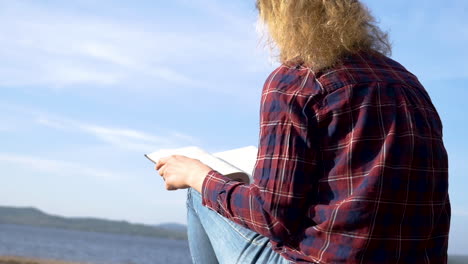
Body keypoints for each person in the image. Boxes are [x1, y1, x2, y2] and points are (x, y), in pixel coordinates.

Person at [155, 0, 450, 263]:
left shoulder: (295, 80)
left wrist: (197, 175)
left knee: (200, 194)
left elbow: (272, 219)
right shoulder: (407, 81)